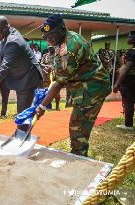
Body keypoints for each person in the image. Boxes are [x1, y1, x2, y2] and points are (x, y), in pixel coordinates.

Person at [36, 14, 111, 156]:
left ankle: (79, 158)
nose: (48, 39)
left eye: (51, 34)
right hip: (87, 85)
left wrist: (42, 106)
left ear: (62, 30)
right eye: (46, 36)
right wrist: (55, 68)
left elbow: (59, 82)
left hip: (92, 90)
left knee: (78, 127)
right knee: (77, 124)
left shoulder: (68, 50)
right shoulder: (68, 37)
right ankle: (78, 154)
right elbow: (67, 68)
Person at [0, 16, 43, 132]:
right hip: (20, 75)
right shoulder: (8, 34)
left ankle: (22, 136)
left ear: (5, 28)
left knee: (22, 112)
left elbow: (4, 69)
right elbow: (4, 52)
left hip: (28, 77)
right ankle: (22, 131)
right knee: (22, 111)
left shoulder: (13, 41)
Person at [113, 30, 135, 130]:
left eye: (130, 37)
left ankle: (128, 125)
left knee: (128, 103)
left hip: (130, 81)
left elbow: (126, 69)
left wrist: (117, 83)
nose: (128, 38)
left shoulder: (132, 53)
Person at [40, 45, 60, 111]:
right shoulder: (45, 56)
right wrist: (47, 66)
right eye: (49, 48)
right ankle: (48, 105)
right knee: (46, 92)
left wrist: (53, 68)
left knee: (57, 92)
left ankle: (57, 106)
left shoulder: (57, 55)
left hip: (55, 77)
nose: (50, 49)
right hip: (46, 77)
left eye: (52, 48)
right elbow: (41, 64)